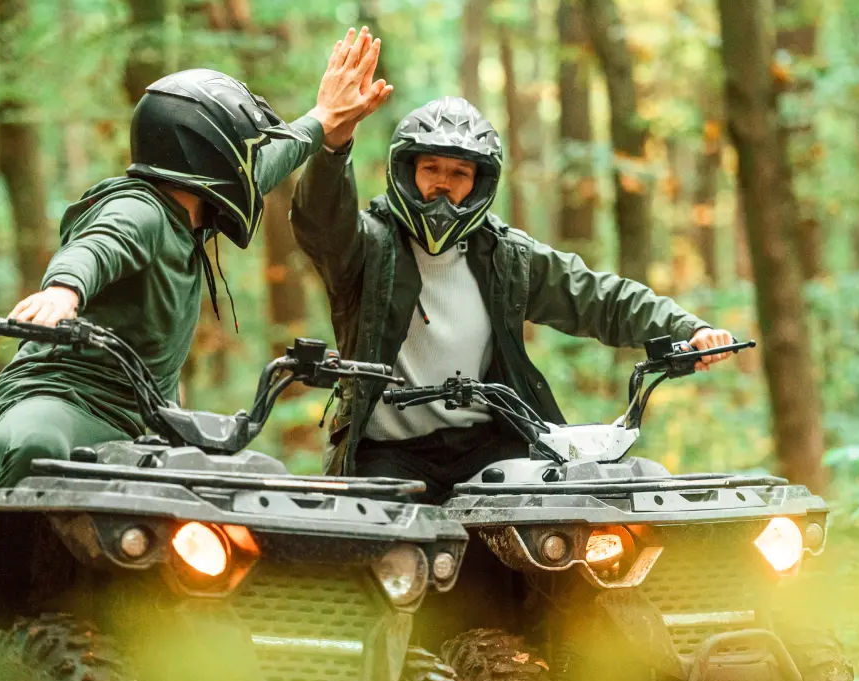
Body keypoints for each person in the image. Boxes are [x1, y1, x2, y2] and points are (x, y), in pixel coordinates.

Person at [0, 28, 392, 488]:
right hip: (61, 401)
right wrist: (64, 289)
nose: (248, 162)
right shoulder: (142, 209)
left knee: (232, 491)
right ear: (208, 153)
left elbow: (275, 155)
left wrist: (325, 120)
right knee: (37, 451)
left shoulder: (195, 214)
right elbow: (100, 243)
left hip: (148, 424)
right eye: (239, 148)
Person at [290, 95, 735, 502]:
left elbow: (598, 297)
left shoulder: (505, 256)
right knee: (380, 555)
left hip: (488, 445)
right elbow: (321, 223)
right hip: (386, 452)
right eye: (432, 169)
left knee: (557, 539)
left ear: (478, 183)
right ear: (408, 172)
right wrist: (333, 146)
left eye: (459, 173)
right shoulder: (367, 248)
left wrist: (686, 329)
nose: (443, 184)